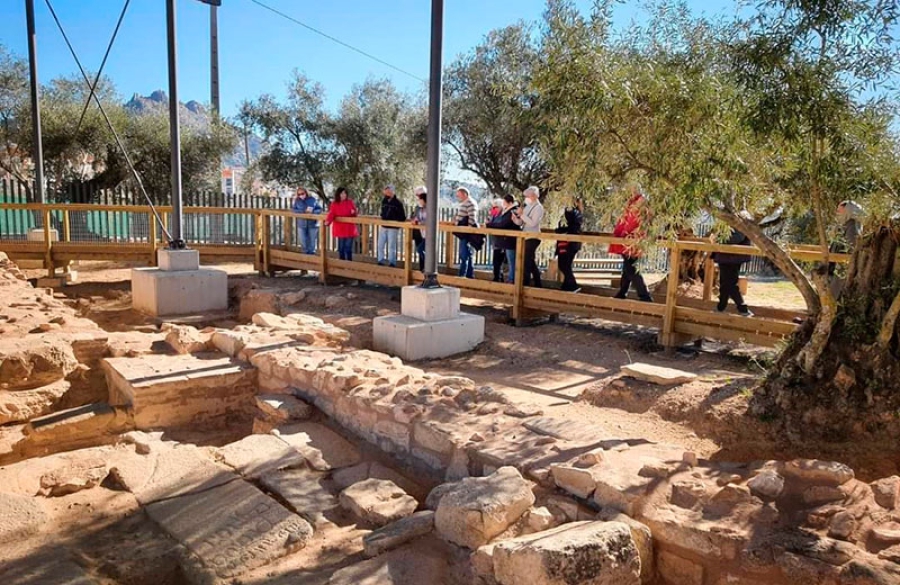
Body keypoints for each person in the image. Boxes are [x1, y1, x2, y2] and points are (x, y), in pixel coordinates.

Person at [609, 191, 653, 302]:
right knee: (628, 266)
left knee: (630, 268)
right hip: (628, 238)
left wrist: (633, 236)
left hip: (632, 239)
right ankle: (622, 292)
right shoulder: (632, 201)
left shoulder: (640, 202)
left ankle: (644, 296)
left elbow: (635, 221)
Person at [712, 219, 753, 317]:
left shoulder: (739, 219)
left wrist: (717, 239)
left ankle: (742, 308)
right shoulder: (728, 218)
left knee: (729, 283)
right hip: (727, 256)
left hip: (732, 256)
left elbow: (738, 237)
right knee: (725, 282)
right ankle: (721, 306)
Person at [828, 201, 863, 297]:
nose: (837, 213)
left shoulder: (852, 225)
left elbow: (851, 247)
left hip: (842, 265)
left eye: (840, 211)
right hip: (838, 262)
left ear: (848, 211)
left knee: (836, 291)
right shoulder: (847, 224)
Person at [512, 186, 545, 287]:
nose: (526, 197)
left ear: (534, 195)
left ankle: (526, 283)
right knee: (529, 261)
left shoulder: (539, 208)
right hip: (525, 236)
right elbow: (522, 222)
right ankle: (537, 282)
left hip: (533, 237)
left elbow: (533, 223)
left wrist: (521, 215)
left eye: (528, 195)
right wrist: (515, 219)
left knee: (527, 261)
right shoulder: (528, 206)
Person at [489, 195, 521, 283]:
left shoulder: (512, 211)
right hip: (505, 240)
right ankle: (510, 279)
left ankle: (512, 280)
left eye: (504, 202)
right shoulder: (508, 211)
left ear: (509, 202)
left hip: (509, 240)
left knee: (511, 261)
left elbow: (504, 224)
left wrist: (489, 225)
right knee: (509, 261)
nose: (494, 209)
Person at [555, 200, 584, 292]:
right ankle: (566, 286)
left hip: (568, 243)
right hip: (571, 242)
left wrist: (561, 230)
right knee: (565, 264)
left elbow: (572, 226)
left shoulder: (573, 212)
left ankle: (573, 285)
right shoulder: (578, 213)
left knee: (563, 265)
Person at [324, 186, 359, 261]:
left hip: (350, 228)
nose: (343, 195)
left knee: (348, 248)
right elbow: (331, 213)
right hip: (340, 228)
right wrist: (327, 221)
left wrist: (354, 212)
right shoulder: (334, 203)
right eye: (342, 193)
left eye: (345, 193)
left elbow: (355, 213)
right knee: (341, 248)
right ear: (338, 194)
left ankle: (349, 264)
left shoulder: (350, 202)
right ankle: (341, 265)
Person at [377, 185, 406, 267]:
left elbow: (402, 217)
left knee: (391, 246)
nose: (387, 194)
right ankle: (380, 260)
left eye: (389, 192)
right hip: (384, 226)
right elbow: (382, 212)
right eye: (386, 192)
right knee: (380, 244)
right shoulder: (384, 201)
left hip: (393, 228)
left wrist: (394, 220)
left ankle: (392, 262)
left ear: (393, 192)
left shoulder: (398, 203)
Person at [454, 187, 479, 278]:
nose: (457, 197)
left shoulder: (470, 203)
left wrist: (468, 229)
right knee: (467, 253)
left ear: (464, 194)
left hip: (466, 233)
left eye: (459, 195)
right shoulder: (465, 203)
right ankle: (468, 275)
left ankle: (463, 274)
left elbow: (472, 218)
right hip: (463, 232)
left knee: (464, 254)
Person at [292, 187, 322, 254]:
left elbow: (319, 209)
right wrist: (302, 211)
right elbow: (294, 210)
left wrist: (313, 212)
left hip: (312, 224)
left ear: (306, 192)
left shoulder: (313, 199)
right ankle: (305, 256)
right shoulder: (297, 201)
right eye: (299, 194)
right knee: (303, 241)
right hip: (301, 224)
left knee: (312, 241)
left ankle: (311, 256)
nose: (301, 195)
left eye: (302, 193)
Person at [488, 198, 507, 282]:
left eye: (495, 207)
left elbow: (497, 225)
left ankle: (498, 278)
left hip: (500, 242)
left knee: (498, 261)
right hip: (495, 242)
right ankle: (497, 277)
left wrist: (490, 224)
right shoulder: (494, 216)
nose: (494, 209)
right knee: (496, 261)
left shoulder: (502, 216)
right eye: (493, 207)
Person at [411, 187, 427, 271]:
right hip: (419, 233)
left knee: (421, 249)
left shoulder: (429, 208)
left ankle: (426, 267)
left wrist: (421, 222)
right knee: (420, 250)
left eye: (418, 195)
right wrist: (415, 220)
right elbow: (415, 217)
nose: (417, 197)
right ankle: (422, 268)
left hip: (427, 235)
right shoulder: (419, 208)